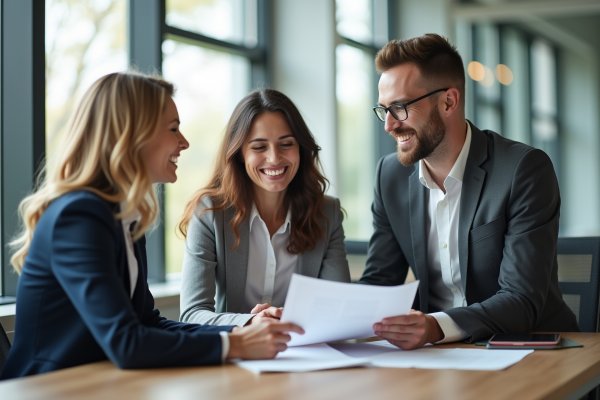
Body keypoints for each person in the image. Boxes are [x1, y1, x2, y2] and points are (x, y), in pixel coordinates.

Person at [1, 73, 303, 380]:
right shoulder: (78, 216)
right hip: (45, 389)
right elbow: (126, 342)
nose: (184, 142)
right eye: (173, 129)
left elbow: (147, 322)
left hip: (99, 384)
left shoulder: (124, 218)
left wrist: (244, 328)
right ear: (133, 136)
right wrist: (234, 344)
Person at [359, 34, 578, 350]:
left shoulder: (523, 170)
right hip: (435, 357)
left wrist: (435, 326)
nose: (389, 126)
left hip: (528, 349)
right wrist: (304, 319)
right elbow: (379, 283)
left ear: (449, 101)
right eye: (384, 110)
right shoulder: (389, 175)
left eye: (401, 107)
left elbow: (521, 300)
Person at [178, 89, 351, 327]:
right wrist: (251, 322)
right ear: (239, 153)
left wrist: (283, 321)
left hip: (305, 352)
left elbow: (338, 305)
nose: (274, 158)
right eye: (259, 147)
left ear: (300, 147)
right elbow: (192, 313)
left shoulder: (326, 213)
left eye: (286, 144)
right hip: (239, 352)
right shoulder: (210, 213)